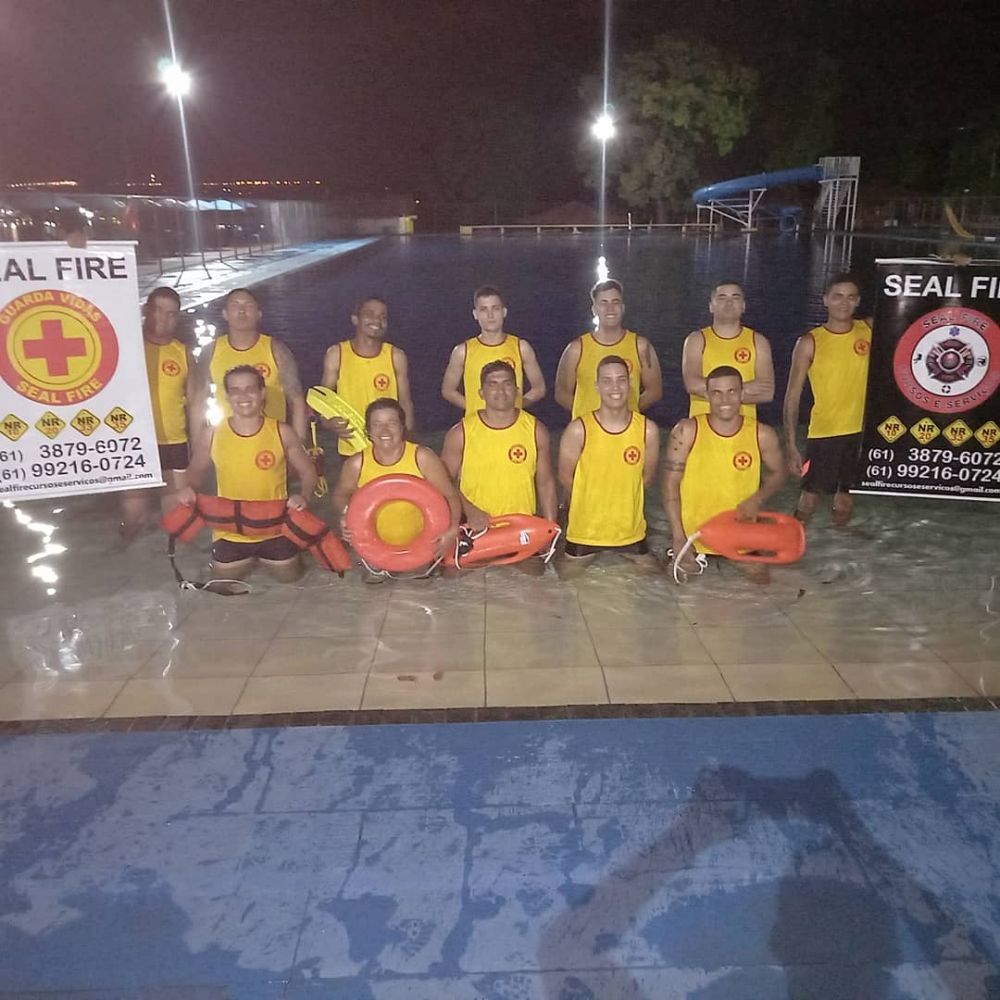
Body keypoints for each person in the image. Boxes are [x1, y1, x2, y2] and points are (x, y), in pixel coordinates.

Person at [178, 365, 317, 582]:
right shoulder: (212, 434)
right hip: (230, 530)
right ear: (227, 396)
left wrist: (304, 496)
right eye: (235, 390)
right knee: (222, 585)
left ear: (262, 393)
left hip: (276, 528)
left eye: (250, 389)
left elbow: (308, 472)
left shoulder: (282, 432)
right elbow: (195, 471)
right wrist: (187, 489)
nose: (243, 396)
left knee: (291, 579)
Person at [663, 366, 786, 580]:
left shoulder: (761, 434)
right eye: (717, 393)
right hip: (694, 537)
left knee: (762, 585)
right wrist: (678, 536)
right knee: (672, 586)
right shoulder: (686, 431)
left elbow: (780, 472)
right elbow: (669, 484)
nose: (724, 400)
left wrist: (757, 499)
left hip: (739, 534)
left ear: (742, 393)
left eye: (731, 391)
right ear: (707, 395)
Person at [331, 398, 461, 573]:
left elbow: (450, 495)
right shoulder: (356, 464)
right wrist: (347, 515)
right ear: (368, 430)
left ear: (402, 427)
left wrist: (452, 529)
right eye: (377, 424)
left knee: (422, 586)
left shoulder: (422, 458)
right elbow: (341, 495)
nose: (384, 430)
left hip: (421, 547)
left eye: (391, 423)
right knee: (373, 586)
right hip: (374, 550)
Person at [783, 273, 872, 526]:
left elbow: (914, 313)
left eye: (851, 297)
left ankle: (840, 540)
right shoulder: (809, 342)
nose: (844, 302)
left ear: (858, 301)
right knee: (809, 499)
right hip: (825, 434)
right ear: (825, 300)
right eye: (837, 296)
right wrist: (791, 445)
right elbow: (792, 397)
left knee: (846, 499)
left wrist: (952, 264)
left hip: (860, 433)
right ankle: (793, 537)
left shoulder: (869, 329)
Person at [558, 355, 660, 566]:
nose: (615, 387)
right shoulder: (579, 430)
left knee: (656, 575)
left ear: (630, 384)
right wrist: (593, 502)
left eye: (621, 380)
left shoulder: (647, 430)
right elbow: (565, 477)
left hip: (629, 531)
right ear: (597, 387)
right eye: (607, 381)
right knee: (567, 578)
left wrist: (620, 502)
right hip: (585, 531)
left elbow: (647, 478)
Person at [441, 360, 558, 531]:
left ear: (517, 391)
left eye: (507, 384)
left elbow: (546, 483)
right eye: (493, 384)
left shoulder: (535, 430)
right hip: (477, 529)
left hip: (521, 529)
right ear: (481, 393)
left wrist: (550, 527)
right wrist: (470, 511)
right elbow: (443, 482)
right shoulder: (461, 433)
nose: (501, 390)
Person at [119, 287, 196, 540]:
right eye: (158, 310)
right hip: (133, 441)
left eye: (171, 313)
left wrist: (197, 450)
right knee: (133, 516)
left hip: (173, 441)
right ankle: (127, 555)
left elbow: (195, 404)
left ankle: (169, 561)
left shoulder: (182, 353)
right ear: (146, 311)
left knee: (177, 521)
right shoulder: (126, 349)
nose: (164, 318)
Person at [195, 287, 308, 442]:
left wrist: (299, 445)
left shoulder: (276, 350)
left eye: (248, 306)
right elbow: (198, 402)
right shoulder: (211, 352)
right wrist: (198, 446)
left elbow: (296, 399)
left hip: (271, 442)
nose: (242, 311)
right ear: (225, 314)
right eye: (235, 305)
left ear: (259, 314)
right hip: (227, 442)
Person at [554, 279, 663, 420]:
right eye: (603, 303)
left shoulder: (640, 346)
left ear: (623, 307)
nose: (610, 308)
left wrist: (625, 411)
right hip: (588, 429)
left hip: (627, 428)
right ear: (594, 310)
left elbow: (654, 391)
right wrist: (587, 415)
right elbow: (562, 393)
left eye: (615, 302)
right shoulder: (576, 349)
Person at [320, 296, 415, 453]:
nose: (377, 320)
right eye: (370, 314)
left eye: (383, 316)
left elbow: (405, 402)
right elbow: (323, 399)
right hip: (352, 444)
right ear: (355, 319)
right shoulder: (337, 354)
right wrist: (329, 423)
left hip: (389, 445)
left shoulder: (395, 356)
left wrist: (409, 441)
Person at [440, 285, 545, 414]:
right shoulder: (462, 351)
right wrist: (475, 410)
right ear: (475, 314)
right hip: (476, 425)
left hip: (512, 423)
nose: (490, 315)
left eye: (495, 308)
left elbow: (539, 389)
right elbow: (448, 390)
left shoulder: (521, 347)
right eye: (484, 309)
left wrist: (514, 406)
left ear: (504, 312)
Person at [681, 281, 775, 417]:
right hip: (702, 424)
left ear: (743, 306)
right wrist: (740, 391)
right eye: (722, 298)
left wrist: (714, 391)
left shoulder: (758, 341)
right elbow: (692, 384)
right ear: (711, 306)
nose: (729, 303)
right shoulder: (696, 340)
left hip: (745, 425)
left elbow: (767, 392)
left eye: (735, 298)